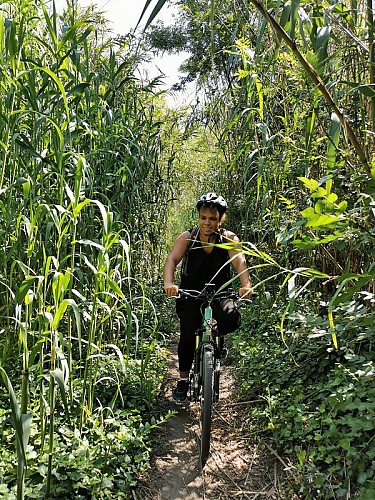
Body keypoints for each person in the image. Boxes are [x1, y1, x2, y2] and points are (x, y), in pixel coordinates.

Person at [163, 192, 253, 402]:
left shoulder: (229, 239)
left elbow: (240, 264)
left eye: (213, 218)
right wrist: (169, 283)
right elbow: (172, 260)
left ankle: (216, 342)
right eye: (203, 217)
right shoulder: (188, 237)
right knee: (187, 333)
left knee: (230, 318)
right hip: (190, 294)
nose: (207, 223)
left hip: (220, 293)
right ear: (198, 217)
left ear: (220, 219)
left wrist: (246, 285)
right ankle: (184, 380)